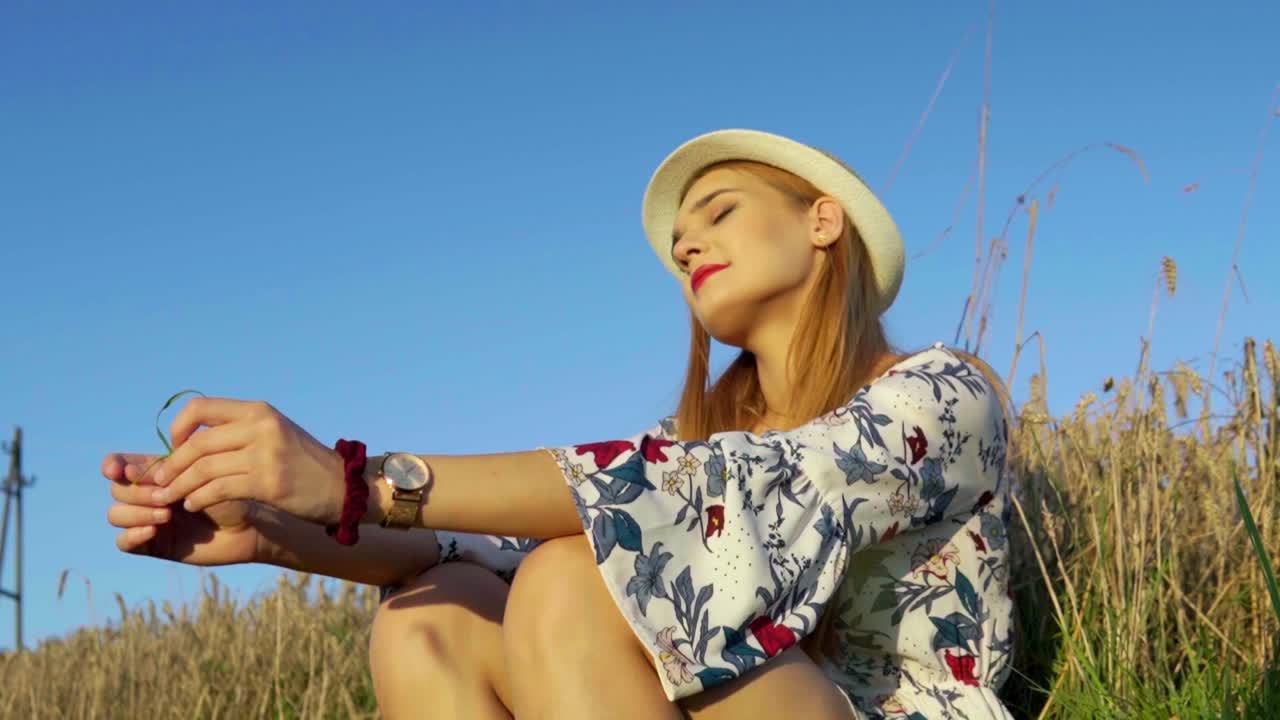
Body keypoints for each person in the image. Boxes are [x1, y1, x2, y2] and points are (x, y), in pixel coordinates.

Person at [102, 128, 1016, 719]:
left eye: (719, 212)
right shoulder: (697, 437)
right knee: (432, 619)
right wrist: (270, 531)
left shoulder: (940, 395)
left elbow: (716, 493)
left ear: (824, 222)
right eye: (678, 242)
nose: (687, 244)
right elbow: (484, 546)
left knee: (575, 580)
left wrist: (353, 476)